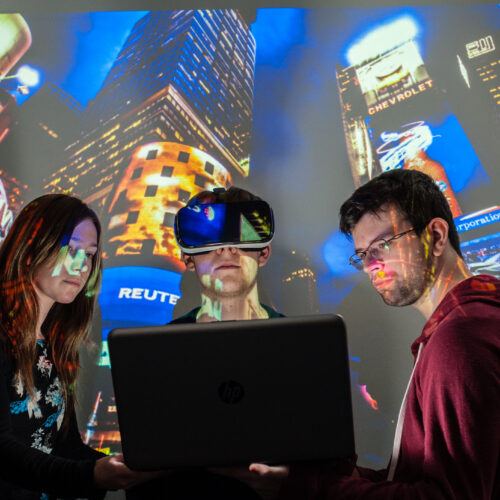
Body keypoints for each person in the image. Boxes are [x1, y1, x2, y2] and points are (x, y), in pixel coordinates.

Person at [270, 169, 500, 498]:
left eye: (382, 245)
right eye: (363, 255)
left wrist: (308, 487)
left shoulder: (458, 339)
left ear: (436, 236)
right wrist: (340, 477)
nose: (369, 266)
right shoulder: (475, 319)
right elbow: (423, 479)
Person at [127, 186, 282, 500]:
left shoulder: (300, 347)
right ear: (188, 258)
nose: (226, 249)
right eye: (209, 237)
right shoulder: (158, 352)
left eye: (239, 235)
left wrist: (297, 484)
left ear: (263, 252)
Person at [0, 193, 156, 499]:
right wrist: (92, 475)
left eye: (89, 254)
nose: (81, 265)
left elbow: (62, 445)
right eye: (70, 249)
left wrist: (126, 468)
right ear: (30, 249)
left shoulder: (56, 344)